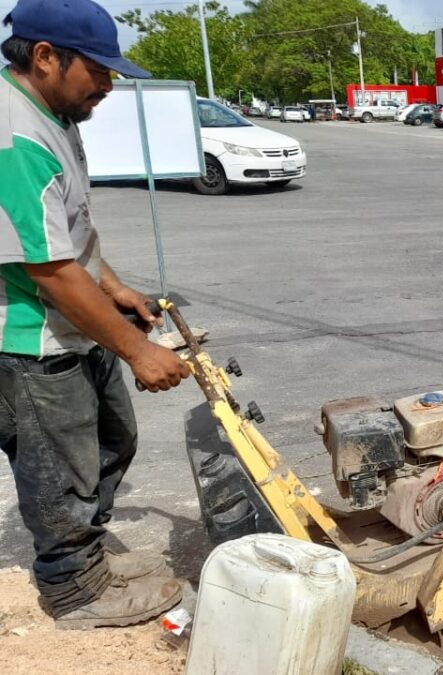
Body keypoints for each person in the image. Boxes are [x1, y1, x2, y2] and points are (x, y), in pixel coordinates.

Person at [0, 0, 192, 629]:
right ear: (47, 56)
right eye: (101, 70)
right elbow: (48, 269)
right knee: (61, 468)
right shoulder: (16, 134)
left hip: (73, 322)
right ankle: (75, 589)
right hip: (31, 340)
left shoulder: (54, 112)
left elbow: (70, 230)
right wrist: (139, 350)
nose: (110, 85)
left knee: (114, 439)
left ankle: (89, 556)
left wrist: (113, 287)